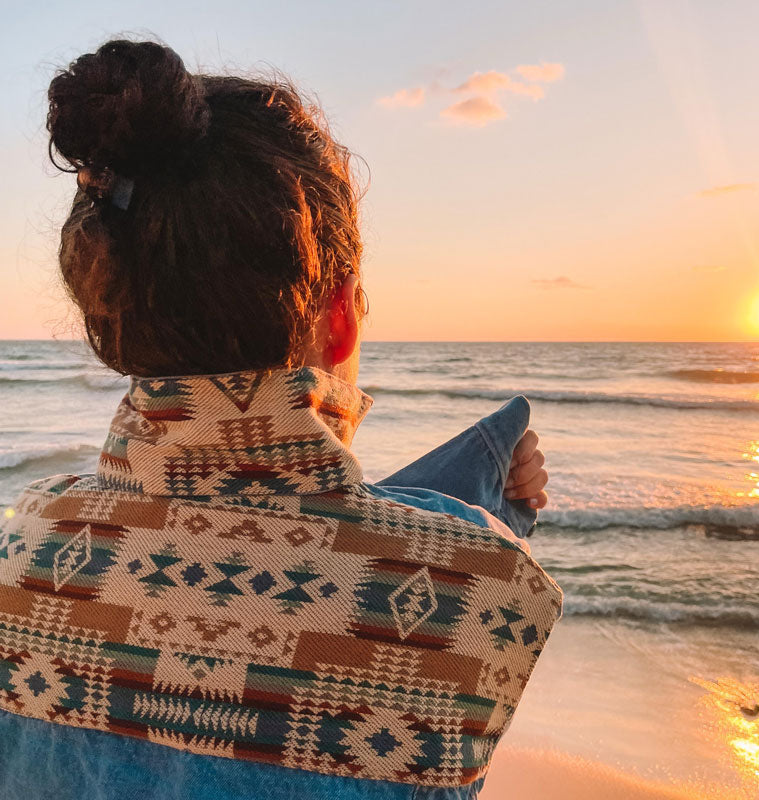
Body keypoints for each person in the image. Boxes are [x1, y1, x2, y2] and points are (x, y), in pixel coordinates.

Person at [0, 39, 563, 799]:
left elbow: (245, 542)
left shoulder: (20, 545)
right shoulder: (488, 583)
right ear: (340, 317)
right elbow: (319, 557)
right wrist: (499, 520)